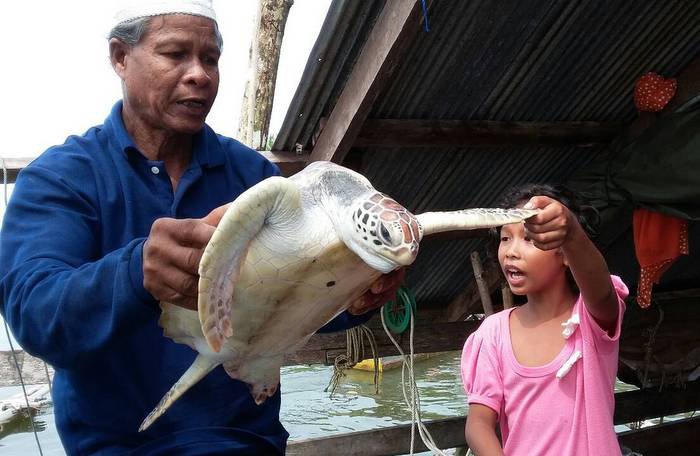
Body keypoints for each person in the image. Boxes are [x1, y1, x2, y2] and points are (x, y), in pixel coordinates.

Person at [0, 1, 403, 454]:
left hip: (244, 444)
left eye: (210, 58)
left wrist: (357, 295)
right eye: (175, 54)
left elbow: (301, 297)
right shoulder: (61, 177)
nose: (200, 74)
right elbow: (35, 314)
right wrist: (136, 273)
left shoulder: (255, 177)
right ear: (119, 57)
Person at [460, 184, 628, 455]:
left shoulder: (588, 320)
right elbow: (478, 423)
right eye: (505, 238)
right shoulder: (493, 332)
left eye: (528, 239)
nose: (511, 252)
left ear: (563, 253)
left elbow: (600, 292)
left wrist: (572, 232)